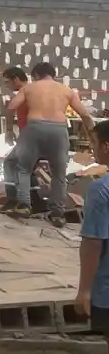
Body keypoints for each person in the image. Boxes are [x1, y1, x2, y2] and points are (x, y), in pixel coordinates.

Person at [6, 62, 94, 225]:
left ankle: (24, 205)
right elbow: (85, 115)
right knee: (59, 174)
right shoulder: (67, 91)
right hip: (59, 131)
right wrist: (93, 137)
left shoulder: (29, 88)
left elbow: (12, 107)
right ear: (52, 74)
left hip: (34, 128)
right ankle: (57, 214)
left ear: (37, 75)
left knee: (23, 169)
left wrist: (9, 130)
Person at [76, 120, 109, 334]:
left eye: (94, 144)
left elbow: (93, 243)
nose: (92, 149)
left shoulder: (100, 190)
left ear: (106, 147)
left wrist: (84, 291)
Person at [0, 67, 29, 207]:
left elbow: (10, 109)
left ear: (16, 79)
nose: (7, 86)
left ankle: (14, 200)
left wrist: (9, 131)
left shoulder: (25, 92)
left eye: (7, 82)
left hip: (30, 138)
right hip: (33, 136)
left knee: (10, 163)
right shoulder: (34, 92)